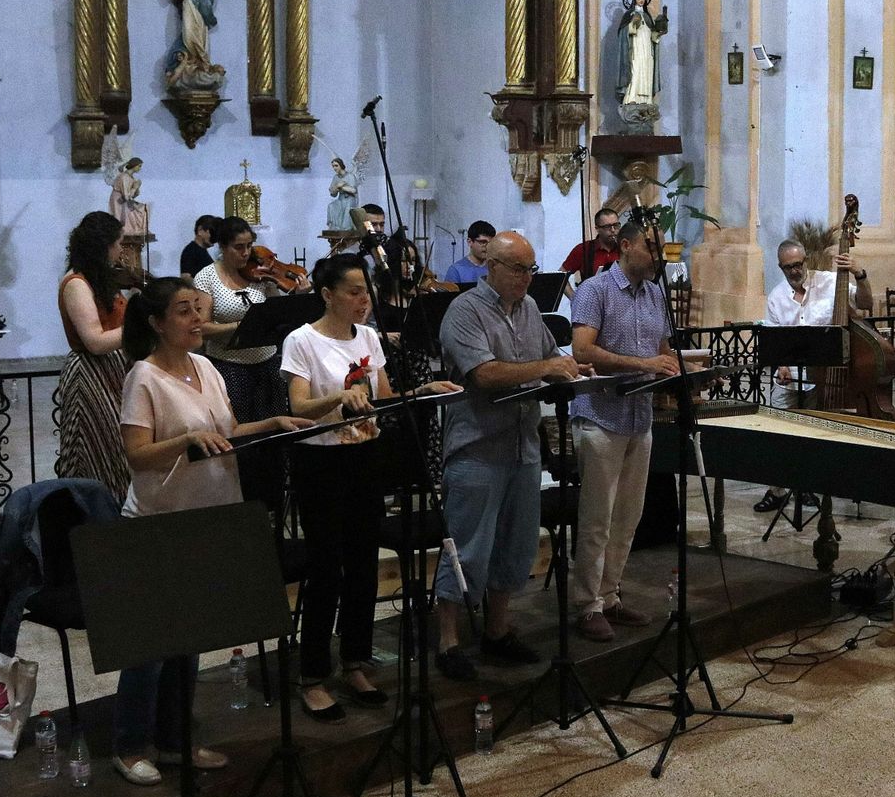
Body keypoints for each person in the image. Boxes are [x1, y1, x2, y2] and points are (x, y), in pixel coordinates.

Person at [111, 277, 312, 786]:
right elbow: (136, 455)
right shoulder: (144, 376)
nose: (197, 320)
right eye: (184, 312)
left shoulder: (205, 366)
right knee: (152, 644)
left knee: (191, 638)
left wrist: (270, 424)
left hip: (213, 513)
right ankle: (130, 744)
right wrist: (183, 441)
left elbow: (225, 432)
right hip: (160, 522)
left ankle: (176, 740)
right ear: (156, 323)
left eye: (199, 310)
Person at [280, 254, 460, 722]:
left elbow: (380, 400)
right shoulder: (302, 341)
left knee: (362, 563)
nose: (364, 300)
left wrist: (419, 393)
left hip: (365, 456)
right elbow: (299, 406)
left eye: (367, 291)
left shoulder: (369, 338)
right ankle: (313, 675)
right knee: (326, 568)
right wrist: (338, 397)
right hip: (319, 459)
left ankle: (355, 661)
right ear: (327, 295)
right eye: (355, 291)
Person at [433, 232, 584, 681]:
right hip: (478, 447)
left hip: (523, 445)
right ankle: (449, 639)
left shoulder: (530, 309)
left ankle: (497, 631)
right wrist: (547, 368)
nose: (526, 278)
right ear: (491, 267)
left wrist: (574, 366)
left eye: (530, 269)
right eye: (518, 269)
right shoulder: (464, 311)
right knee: (468, 546)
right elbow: (485, 373)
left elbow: (549, 355)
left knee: (516, 544)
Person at [568, 221, 677, 641]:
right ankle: (587, 604)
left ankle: (611, 595)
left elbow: (663, 353)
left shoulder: (655, 295)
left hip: (639, 418)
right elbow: (582, 349)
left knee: (628, 517)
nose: (658, 255)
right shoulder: (596, 290)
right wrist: (645, 365)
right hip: (600, 416)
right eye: (652, 246)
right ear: (626, 245)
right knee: (598, 517)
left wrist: (690, 371)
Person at [756, 238, 871, 512]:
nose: (795, 271)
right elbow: (774, 339)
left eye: (798, 264)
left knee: (810, 435)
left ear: (805, 260)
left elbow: (865, 303)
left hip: (820, 378)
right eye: (788, 268)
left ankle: (805, 487)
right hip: (788, 379)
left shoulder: (830, 283)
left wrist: (860, 273)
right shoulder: (776, 297)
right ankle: (778, 491)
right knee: (780, 435)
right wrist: (781, 365)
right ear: (780, 267)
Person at [192, 216, 288, 501]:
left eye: (249, 246)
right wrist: (240, 327)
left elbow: (276, 310)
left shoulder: (258, 273)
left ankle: (273, 497)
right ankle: (243, 497)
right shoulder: (207, 277)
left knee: (273, 431)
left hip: (267, 362)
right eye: (238, 247)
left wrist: (288, 286)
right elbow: (202, 327)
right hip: (230, 366)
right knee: (241, 435)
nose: (246, 253)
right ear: (222, 247)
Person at [56, 212, 135, 502]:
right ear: (103, 246)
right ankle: (94, 515)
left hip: (112, 371)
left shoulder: (99, 279)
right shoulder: (76, 283)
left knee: (119, 448)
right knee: (97, 448)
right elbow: (95, 341)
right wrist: (137, 327)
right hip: (90, 375)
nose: (120, 251)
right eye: (118, 244)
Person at [560, 209, 623, 293]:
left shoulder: (625, 247)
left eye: (616, 225)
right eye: (607, 227)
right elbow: (561, 275)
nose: (612, 230)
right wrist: (575, 299)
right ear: (597, 229)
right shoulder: (583, 249)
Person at [442, 220, 495, 284]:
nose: (487, 246)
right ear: (470, 242)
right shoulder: (456, 270)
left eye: (491, 243)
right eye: (483, 242)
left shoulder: (494, 268)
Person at [110, 158, 150, 238]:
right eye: (139, 166)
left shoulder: (131, 178)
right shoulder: (124, 177)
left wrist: (137, 187)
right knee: (139, 210)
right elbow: (126, 196)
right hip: (119, 201)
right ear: (134, 165)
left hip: (125, 201)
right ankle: (131, 229)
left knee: (145, 208)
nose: (140, 168)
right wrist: (135, 188)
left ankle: (138, 229)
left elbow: (133, 195)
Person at [179, 214, 221, 279]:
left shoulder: (202, 251)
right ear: (200, 230)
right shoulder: (190, 251)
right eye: (212, 232)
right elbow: (186, 277)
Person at [326, 158, 357, 233]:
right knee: (331, 206)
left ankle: (345, 228)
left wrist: (342, 187)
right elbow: (333, 194)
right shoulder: (336, 177)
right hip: (341, 199)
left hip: (350, 200)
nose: (334, 168)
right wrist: (337, 187)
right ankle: (334, 226)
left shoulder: (350, 176)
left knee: (345, 222)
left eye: (336, 166)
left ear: (341, 165)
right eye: (333, 166)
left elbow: (353, 190)